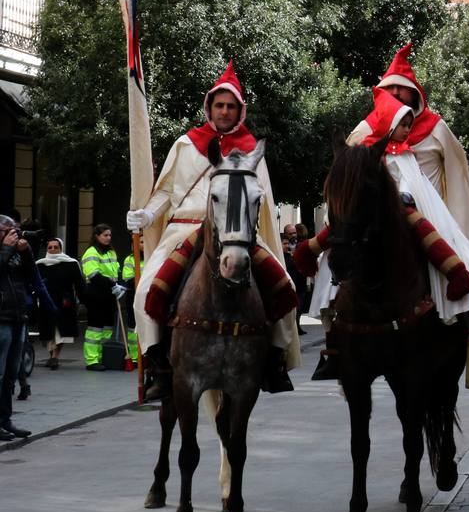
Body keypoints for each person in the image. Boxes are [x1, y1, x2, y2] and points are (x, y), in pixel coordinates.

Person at [126, 63, 299, 401]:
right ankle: (158, 363)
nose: (224, 111)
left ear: (240, 110)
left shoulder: (251, 149)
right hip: (185, 229)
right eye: (219, 105)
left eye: (231, 106)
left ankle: (273, 360)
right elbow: (166, 192)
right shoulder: (186, 144)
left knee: (286, 288)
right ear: (209, 107)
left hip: (236, 233)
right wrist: (146, 215)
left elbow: (261, 200)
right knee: (144, 291)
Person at [300, 87, 469, 377]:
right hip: (369, 215)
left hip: (409, 210)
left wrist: (399, 199)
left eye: (409, 120)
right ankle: (333, 331)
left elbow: (417, 183)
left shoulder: (413, 149)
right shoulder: (366, 143)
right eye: (402, 120)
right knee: (344, 234)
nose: (408, 128)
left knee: (437, 238)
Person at [346, 44, 469, 391]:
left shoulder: (436, 129)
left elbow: (458, 179)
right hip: (377, 217)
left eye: (404, 92)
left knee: (460, 263)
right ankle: (336, 341)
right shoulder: (364, 131)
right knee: (337, 264)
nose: (398, 98)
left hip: (428, 211)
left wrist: (458, 226)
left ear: (415, 95)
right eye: (392, 92)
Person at [0, 216, 44, 440]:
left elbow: (31, 276)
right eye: (8, 231)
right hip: (1, 321)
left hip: (17, 317)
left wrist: (25, 252)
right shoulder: (5, 251)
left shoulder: (15, 252)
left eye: (15, 231)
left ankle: (5, 420)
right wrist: (6, 250)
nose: (14, 235)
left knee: (9, 375)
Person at [36, 238, 86, 370]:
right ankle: (52, 354)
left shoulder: (70, 263)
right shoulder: (39, 265)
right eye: (50, 247)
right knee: (48, 330)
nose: (52, 250)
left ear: (61, 248)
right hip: (46, 302)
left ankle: (55, 356)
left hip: (64, 302)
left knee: (59, 331)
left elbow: (79, 284)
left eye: (55, 247)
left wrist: (85, 300)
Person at [81, 224, 123, 373]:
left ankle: (103, 357)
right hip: (96, 294)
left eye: (109, 235)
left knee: (107, 328)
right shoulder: (91, 253)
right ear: (97, 236)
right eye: (105, 235)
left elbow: (115, 271)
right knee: (95, 328)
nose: (108, 238)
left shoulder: (111, 252)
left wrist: (118, 285)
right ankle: (92, 360)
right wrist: (113, 284)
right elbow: (94, 275)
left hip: (109, 294)